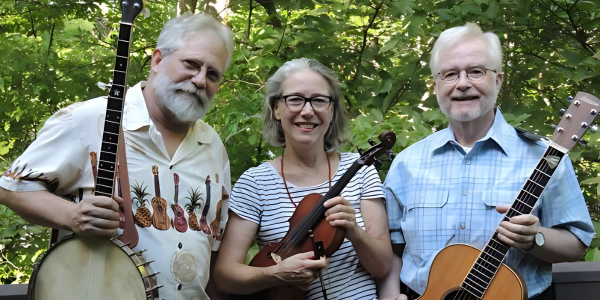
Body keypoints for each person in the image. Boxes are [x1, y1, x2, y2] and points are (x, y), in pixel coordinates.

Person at [0, 13, 234, 300]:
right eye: (191, 64)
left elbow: (211, 246)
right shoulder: (90, 120)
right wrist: (72, 216)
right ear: (158, 60)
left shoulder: (213, 146)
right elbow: (11, 188)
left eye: (213, 74)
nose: (200, 80)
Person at [380, 23, 595, 300]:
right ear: (435, 85)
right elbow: (393, 250)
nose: (462, 83)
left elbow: (576, 243)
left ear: (499, 80)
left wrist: (534, 238)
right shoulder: (406, 163)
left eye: (476, 71)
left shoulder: (546, 156)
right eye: (449, 74)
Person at [214, 58, 393, 300]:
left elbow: (383, 266)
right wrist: (275, 273)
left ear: (331, 110)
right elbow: (225, 276)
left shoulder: (360, 170)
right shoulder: (255, 182)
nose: (307, 111)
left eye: (319, 100)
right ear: (276, 108)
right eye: (295, 99)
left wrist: (354, 231)